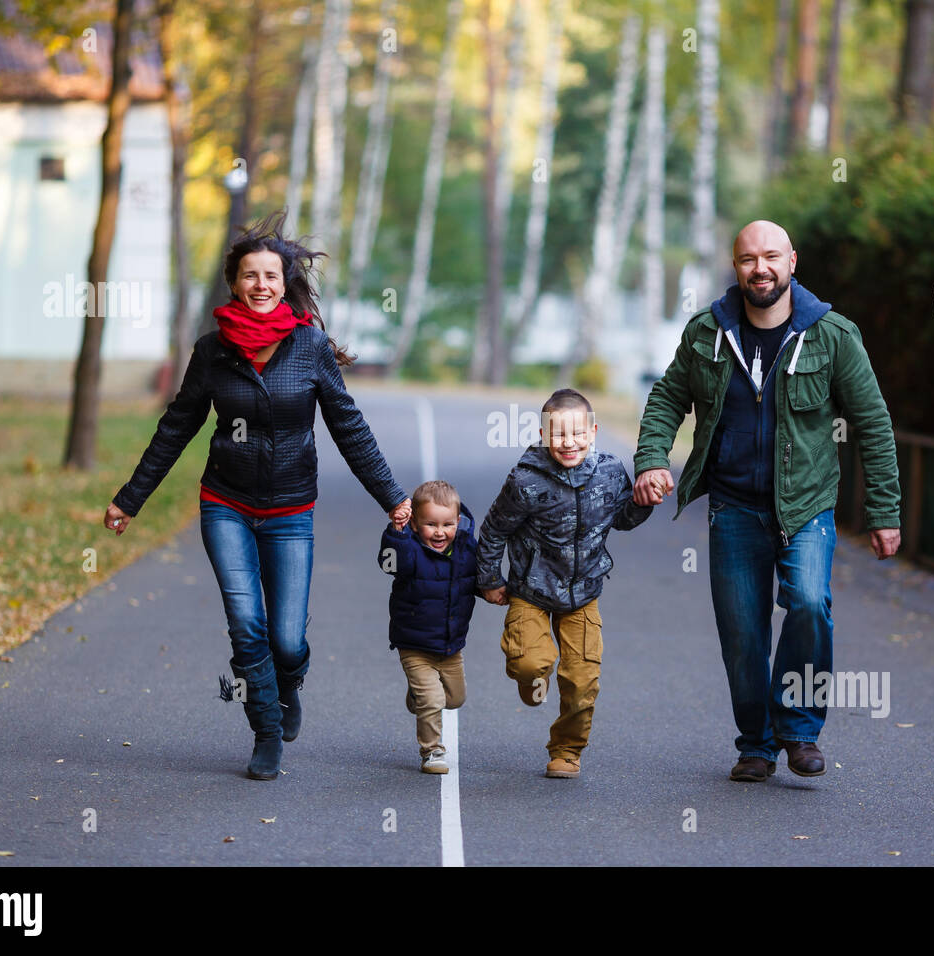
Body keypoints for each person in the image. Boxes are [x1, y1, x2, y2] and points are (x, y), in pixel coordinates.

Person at [103, 211, 411, 781]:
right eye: (250, 275)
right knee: (247, 625)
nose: (261, 285)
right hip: (227, 504)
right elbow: (177, 426)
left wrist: (392, 496)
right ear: (235, 283)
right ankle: (265, 729)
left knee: (287, 639)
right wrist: (130, 499)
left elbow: (349, 427)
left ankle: (288, 683)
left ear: (284, 283)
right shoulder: (213, 351)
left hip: (292, 510)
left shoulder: (310, 348)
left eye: (271, 275)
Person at [632, 220, 901, 783]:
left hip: (806, 506)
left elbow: (872, 424)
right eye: (749, 258)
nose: (761, 268)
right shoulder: (707, 332)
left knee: (808, 603)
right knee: (743, 633)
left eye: (771, 257)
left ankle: (799, 732)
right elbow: (666, 398)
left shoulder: (832, 335)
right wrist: (653, 458)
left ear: (792, 262)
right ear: (736, 267)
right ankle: (756, 743)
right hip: (732, 507)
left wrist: (883, 513)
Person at [478, 388, 653, 778]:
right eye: (558, 434)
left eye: (577, 433)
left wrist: (643, 501)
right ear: (544, 435)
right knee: (530, 663)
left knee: (582, 679)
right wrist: (489, 580)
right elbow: (493, 530)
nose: (568, 442)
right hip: (532, 591)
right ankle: (530, 676)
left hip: (583, 594)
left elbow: (622, 519)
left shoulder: (609, 473)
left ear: (592, 432)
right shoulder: (525, 481)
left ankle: (567, 752)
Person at [377, 480, 476, 774]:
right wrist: (397, 533)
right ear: (416, 524)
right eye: (430, 524)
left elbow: (477, 579)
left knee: (455, 698)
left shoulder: (465, 550)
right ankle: (432, 751)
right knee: (433, 700)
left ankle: (418, 698)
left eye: (447, 524)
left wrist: (496, 589)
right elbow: (389, 564)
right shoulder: (408, 551)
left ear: (458, 522)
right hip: (414, 644)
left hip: (450, 645)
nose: (439, 532)